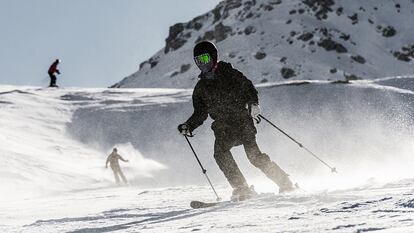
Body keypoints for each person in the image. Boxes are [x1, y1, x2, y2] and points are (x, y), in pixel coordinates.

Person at [178, 41, 296, 200]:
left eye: (205, 59)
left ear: (213, 57)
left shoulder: (230, 74)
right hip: (223, 127)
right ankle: (241, 188)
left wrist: (254, 105)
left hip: (242, 122)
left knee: (254, 157)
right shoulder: (201, 87)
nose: (202, 64)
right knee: (220, 154)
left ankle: (285, 182)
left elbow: (249, 89)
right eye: (198, 61)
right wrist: (189, 126)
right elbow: (200, 113)